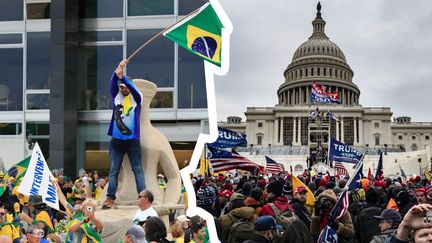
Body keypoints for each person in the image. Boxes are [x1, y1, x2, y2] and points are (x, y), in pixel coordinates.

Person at [103, 59, 146, 209]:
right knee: (114, 170)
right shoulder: (116, 97)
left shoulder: (136, 97)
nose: (123, 89)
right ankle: (110, 198)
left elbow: (132, 88)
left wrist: (124, 78)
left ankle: (143, 196)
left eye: (125, 86)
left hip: (132, 140)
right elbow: (113, 80)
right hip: (116, 141)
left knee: (137, 169)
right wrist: (119, 70)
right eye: (121, 87)